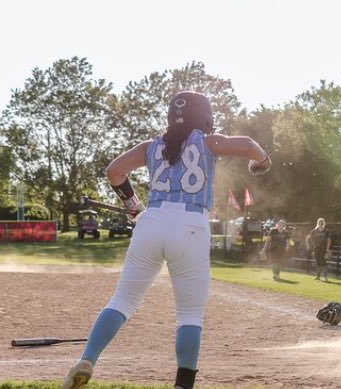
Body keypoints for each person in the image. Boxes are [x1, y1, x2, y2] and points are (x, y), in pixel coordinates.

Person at [61, 91, 270, 389]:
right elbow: (249, 146)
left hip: (152, 221)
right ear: (204, 116)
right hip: (191, 225)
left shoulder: (151, 146)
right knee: (189, 314)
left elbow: (114, 171)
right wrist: (261, 162)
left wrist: (134, 206)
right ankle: (182, 385)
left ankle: (88, 358)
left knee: (122, 301)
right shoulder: (209, 142)